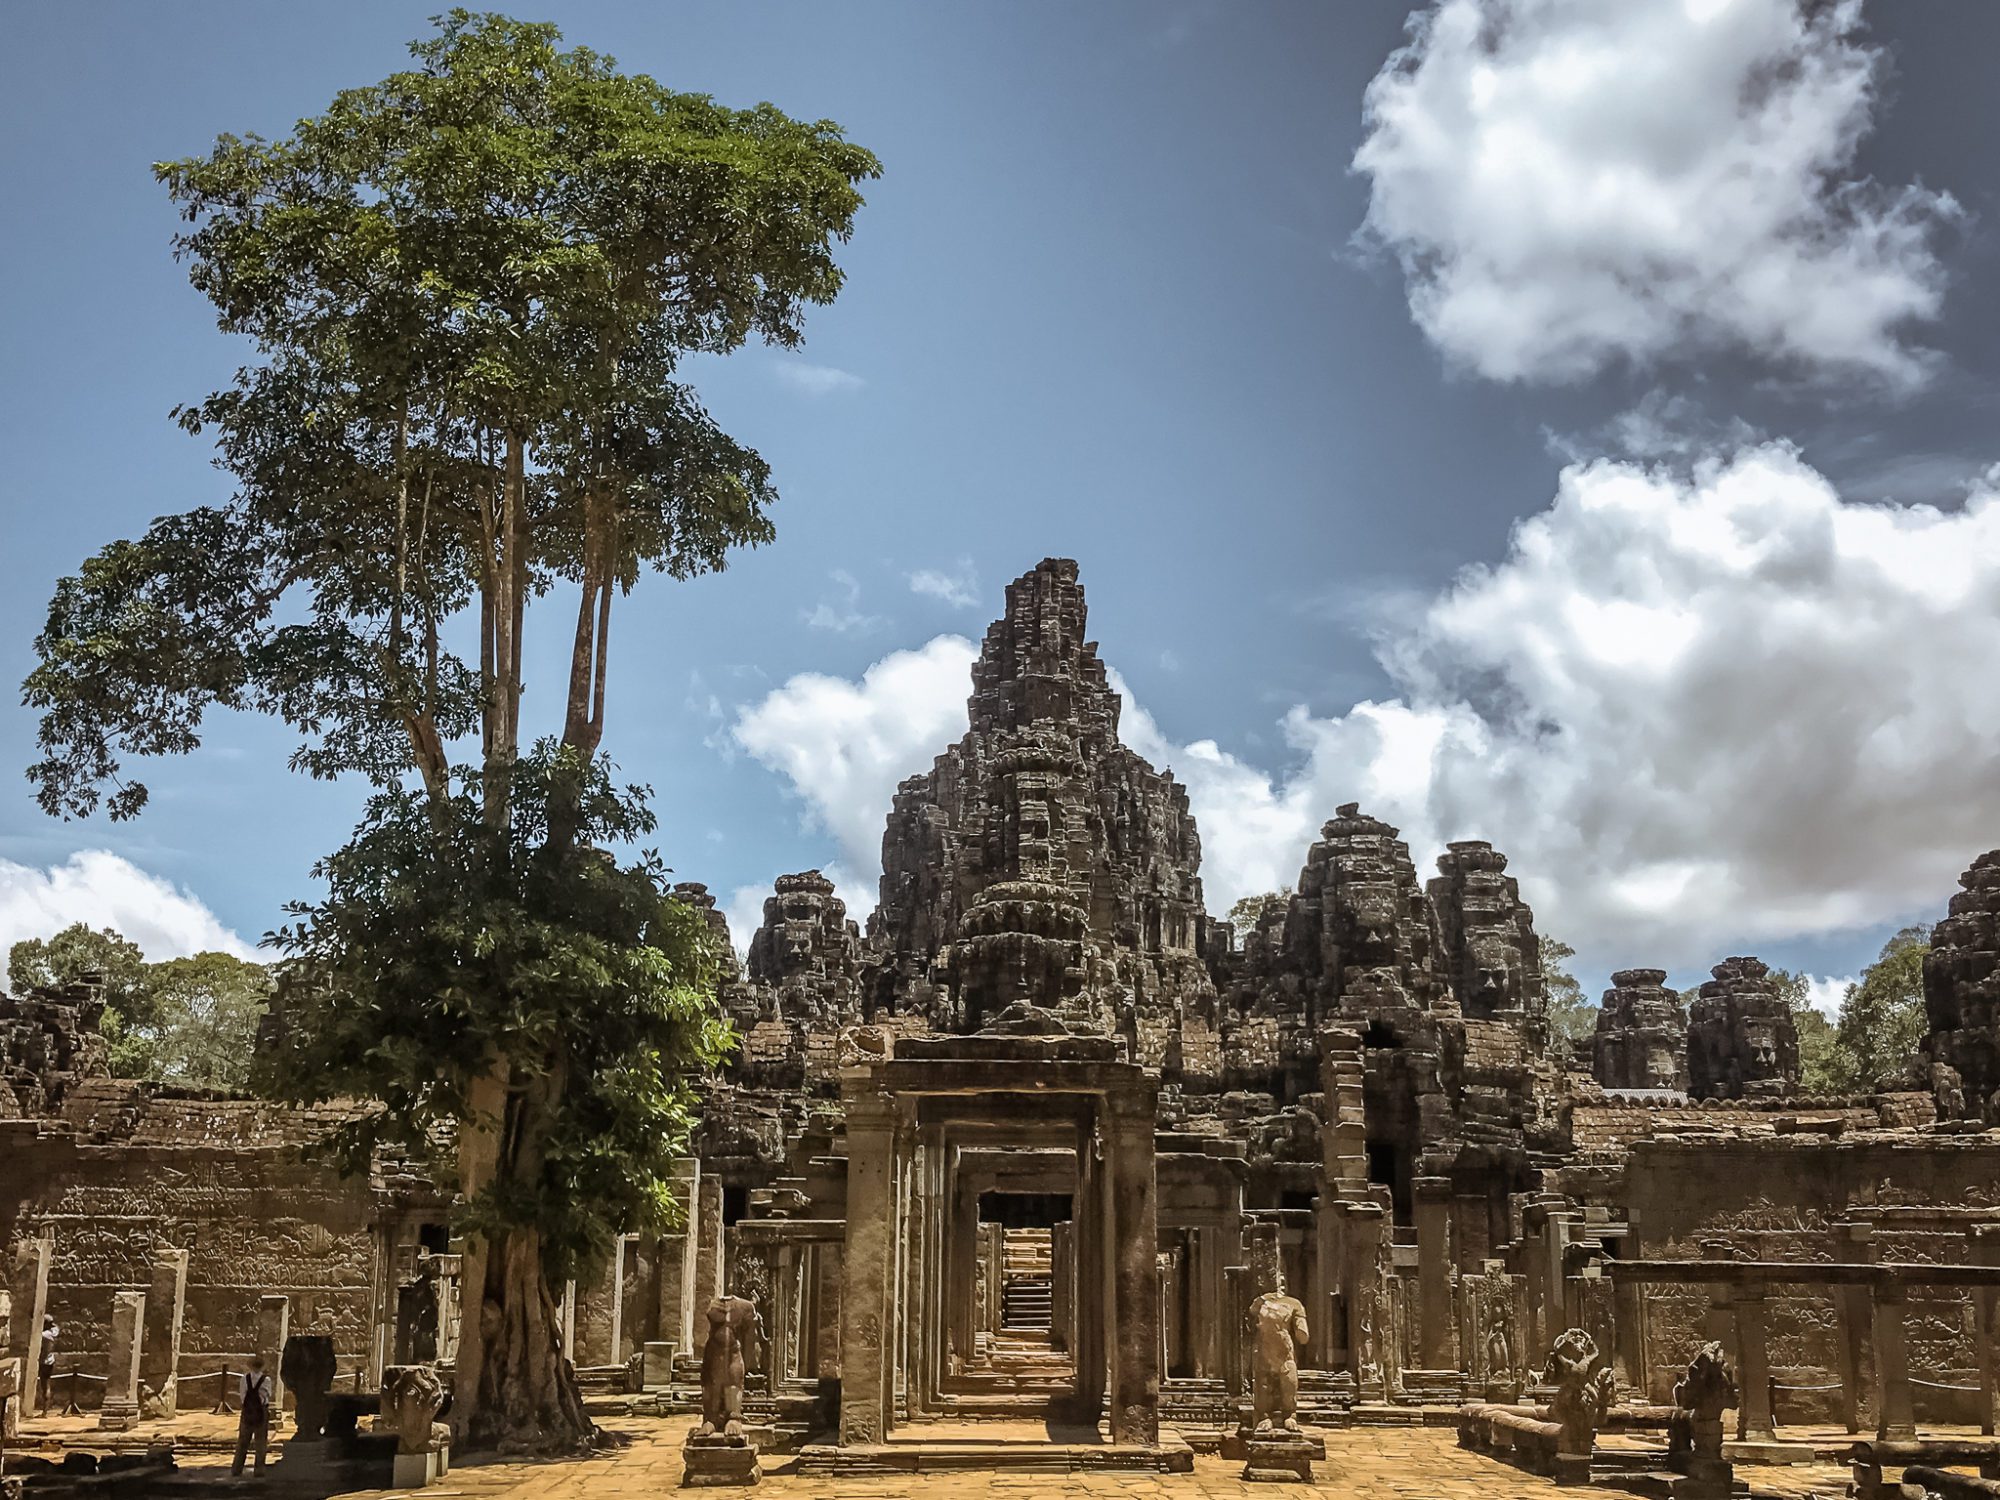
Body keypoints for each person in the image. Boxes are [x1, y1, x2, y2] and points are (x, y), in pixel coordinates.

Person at [232, 1355, 272, 1477]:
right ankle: (259, 1469)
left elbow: (242, 1396)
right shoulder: (266, 1380)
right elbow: (268, 1395)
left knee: (243, 1441)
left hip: (247, 1411)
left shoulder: (245, 1378)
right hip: (261, 1412)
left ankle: (237, 1468)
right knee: (260, 1442)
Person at [36, 1315, 57, 1414]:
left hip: (43, 1361)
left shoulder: (44, 1335)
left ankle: (44, 1410)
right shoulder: (54, 1332)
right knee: (46, 1385)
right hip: (50, 1360)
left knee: (44, 1386)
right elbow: (55, 1327)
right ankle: (46, 1409)